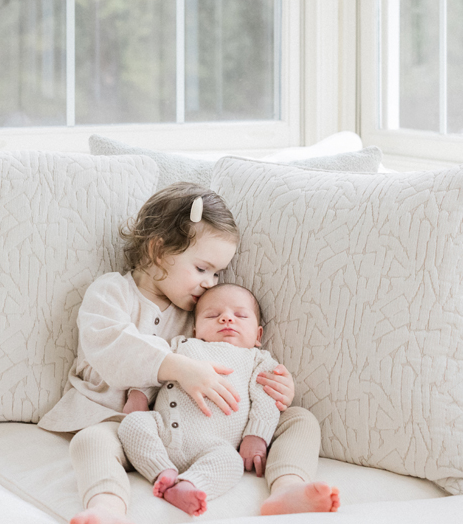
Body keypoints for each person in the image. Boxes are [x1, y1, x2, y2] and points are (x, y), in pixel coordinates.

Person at [37, 183, 339, 524]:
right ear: (157, 251)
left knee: (301, 420)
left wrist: (278, 388)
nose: (211, 284)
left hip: (204, 430)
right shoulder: (112, 293)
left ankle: (287, 487)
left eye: (217, 274)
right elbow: (110, 344)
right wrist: (178, 368)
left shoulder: (197, 315)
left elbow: (236, 363)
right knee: (90, 442)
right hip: (118, 422)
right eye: (202, 269)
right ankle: (107, 505)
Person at [119, 283, 339, 517]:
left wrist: (256, 436)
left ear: (258, 335)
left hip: (215, 445)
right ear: (195, 329)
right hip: (161, 430)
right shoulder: (182, 346)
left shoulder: (258, 359)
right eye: (213, 315)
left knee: (231, 463)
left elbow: (267, 398)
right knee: (132, 424)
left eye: (240, 315)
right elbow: (155, 368)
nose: (226, 319)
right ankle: (161, 472)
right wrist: (138, 395)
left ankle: (188, 486)